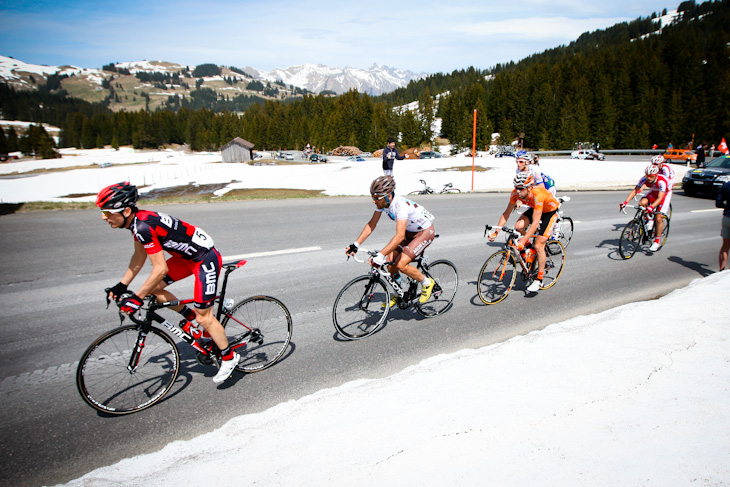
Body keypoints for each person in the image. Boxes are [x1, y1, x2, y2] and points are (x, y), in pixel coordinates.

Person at [96, 182, 240, 384]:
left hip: (203, 259)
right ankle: (195, 317)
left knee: (204, 318)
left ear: (126, 210)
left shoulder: (143, 226)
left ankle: (229, 356)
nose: (104, 217)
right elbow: (139, 258)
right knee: (152, 290)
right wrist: (122, 286)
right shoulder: (137, 223)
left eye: (107, 212)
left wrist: (136, 298)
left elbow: (160, 269)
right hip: (185, 258)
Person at [345, 176, 435, 308]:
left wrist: (380, 255)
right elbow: (371, 224)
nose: (374, 201)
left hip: (424, 233)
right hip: (408, 233)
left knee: (400, 265)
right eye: (373, 197)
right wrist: (356, 244)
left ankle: (427, 282)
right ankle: (399, 292)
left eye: (377, 198)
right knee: (389, 265)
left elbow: (399, 236)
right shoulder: (383, 203)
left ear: (388, 196)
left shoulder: (400, 206)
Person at [488, 172, 561, 293]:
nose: (518, 191)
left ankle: (539, 280)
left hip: (549, 212)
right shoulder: (515, 194)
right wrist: (496, 232)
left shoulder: (538, 195)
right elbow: (506, 213)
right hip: (535, 209)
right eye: (516, 187)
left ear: (529, 187)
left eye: (521, 188)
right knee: (518, 226)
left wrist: (523, 240)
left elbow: (535, 222)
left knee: (539, 245)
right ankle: (530, 252)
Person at [620, 166, 669, 252]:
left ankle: (657, 241)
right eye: (647, 176)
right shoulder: (643, 179)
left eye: (651, 176)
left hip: (664, 195)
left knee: (658, 218)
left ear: (656, 175)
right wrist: (625, 203)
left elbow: (660, 198)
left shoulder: (661, 182)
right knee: (642, 203)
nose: (649, 178)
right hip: (654, 192)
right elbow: (635, 191)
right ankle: (649, 220)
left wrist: (651, 207)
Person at [716, 179, 730, 271]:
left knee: (725, 245)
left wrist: (726, 207)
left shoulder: (727, 185)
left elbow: (718, 202)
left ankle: (721, 270)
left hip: (727, 217)